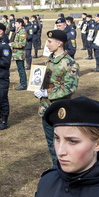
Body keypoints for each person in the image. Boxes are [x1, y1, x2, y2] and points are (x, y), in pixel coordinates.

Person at [35, 30, 79, 165]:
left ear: (59, 43)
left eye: (50, 41)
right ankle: (56, 168)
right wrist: (37, 88)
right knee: (51, 142)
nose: (47, 44)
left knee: (63, 142)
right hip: (46, 108)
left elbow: (70, 87)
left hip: (60, 110)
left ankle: (64, 168)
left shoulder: (70, 63)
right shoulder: (49, 60)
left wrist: (47, 93)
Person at [12, 18, 28, 90]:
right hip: (17, 54)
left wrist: (12, 44)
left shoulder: (22, 32)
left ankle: (23, 84)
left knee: (21, 69)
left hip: (20, 54)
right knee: (20, 69)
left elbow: (22, 44)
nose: (15, 25)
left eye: (16, 23)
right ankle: (22, 83)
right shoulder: (18, 31)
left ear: (20, 23)